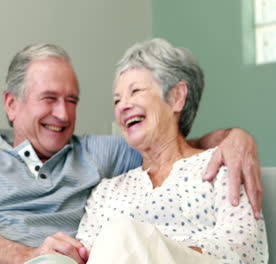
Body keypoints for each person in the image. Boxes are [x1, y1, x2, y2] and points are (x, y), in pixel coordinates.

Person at [0, 43, 263, 264]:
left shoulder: (96, 153)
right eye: (49, 98)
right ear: (11, 104)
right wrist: (33, 256)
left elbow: (171, 143)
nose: (62, 113)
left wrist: (237, 139)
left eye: (71, 101)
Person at [76, 38, 268, 263]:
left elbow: (245, 249)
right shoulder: (105, 191)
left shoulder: (220, 166)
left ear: (177, 97)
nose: (123, 106)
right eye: (117, 101)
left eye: (135, 91)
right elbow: (81, 255)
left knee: (122, 234)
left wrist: (159, 247)